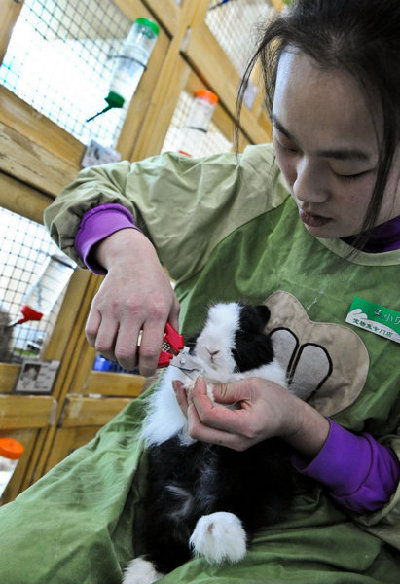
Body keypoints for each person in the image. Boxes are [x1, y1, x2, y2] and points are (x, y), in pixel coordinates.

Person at [1, 1, 400, 582]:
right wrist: (128, 252)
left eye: (348, 169)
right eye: (287, 143)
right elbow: (96, 188)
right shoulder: (253, 183)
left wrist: (302, 427)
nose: (304, 190)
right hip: (161, 456)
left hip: (326, 519)